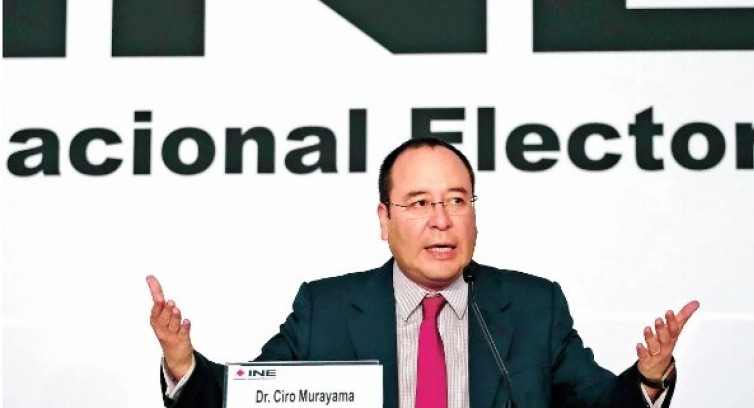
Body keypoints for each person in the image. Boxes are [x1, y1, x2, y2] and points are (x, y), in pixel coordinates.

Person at [148, 136, 699, 407]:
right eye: (419, 203)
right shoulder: (327, 310)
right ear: (384, 219)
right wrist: (184, 366)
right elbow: (250, 399)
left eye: (457, 200)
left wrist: (649, 377)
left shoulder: (533, 307)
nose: (442, 220)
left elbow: (599, 406)